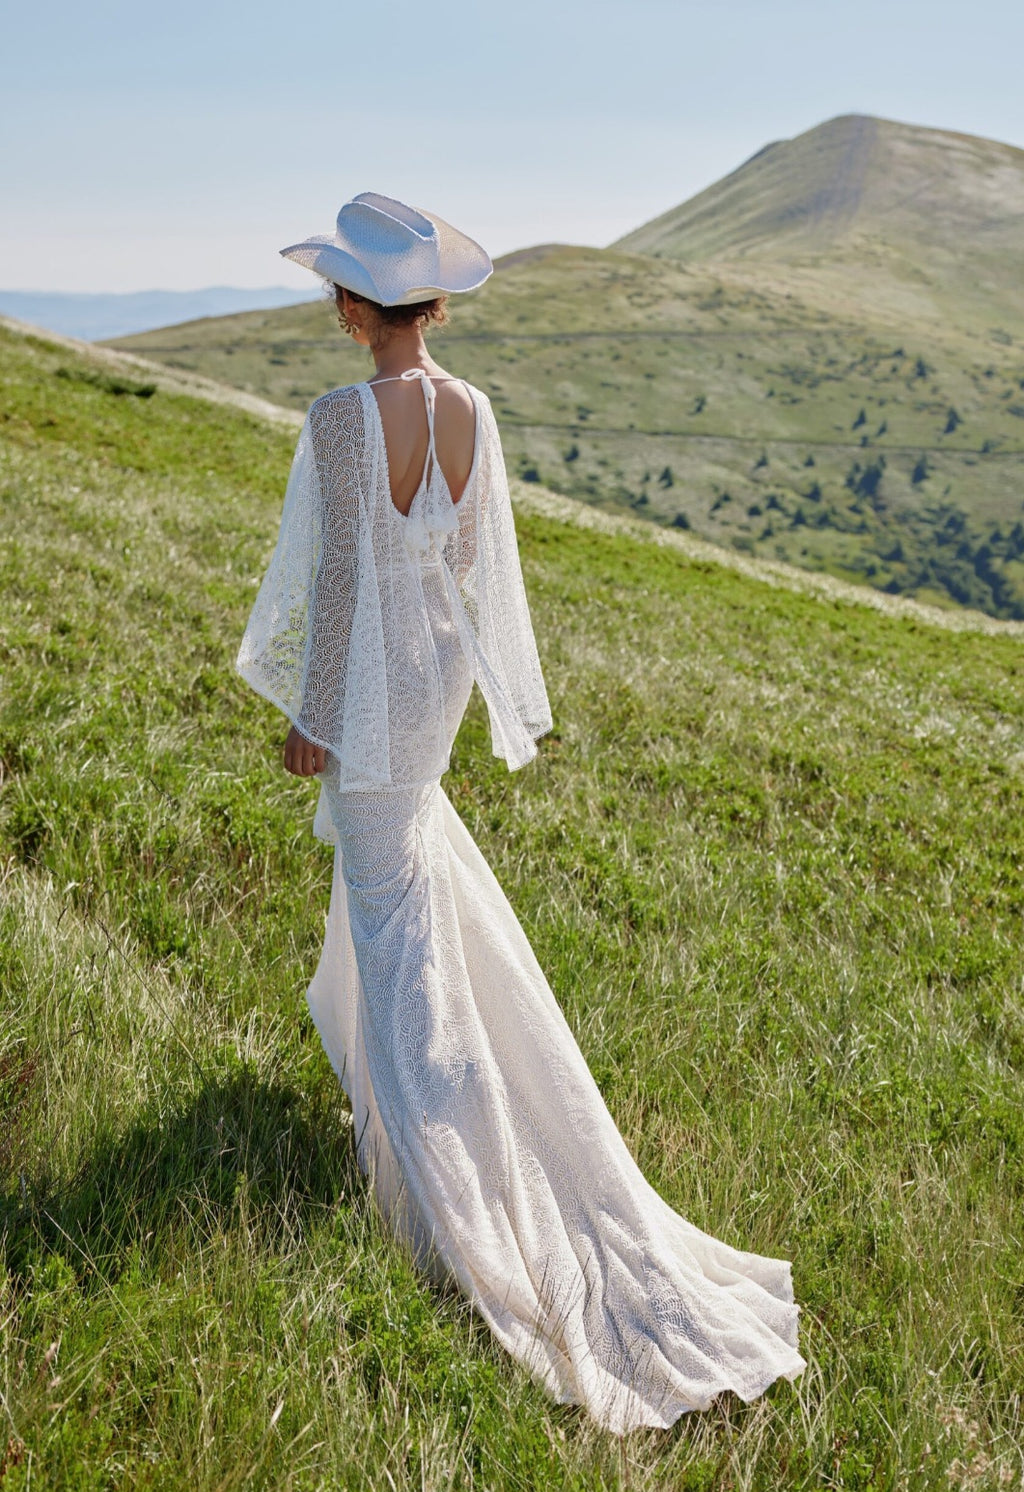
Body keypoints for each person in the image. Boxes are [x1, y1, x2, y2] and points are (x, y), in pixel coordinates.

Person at [237, 193, 805, 1434]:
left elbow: (338, 575)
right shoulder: (473, 410)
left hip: (379, 680)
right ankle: (393, 1114)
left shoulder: (343, 418)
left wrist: (314, 711)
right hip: (435, 670)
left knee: (396, 922)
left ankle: (437, 1189)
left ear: (351, 303)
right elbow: (474, 565)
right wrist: (477, 689)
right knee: (402, 885)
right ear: (427, 303)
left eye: (337, 286)